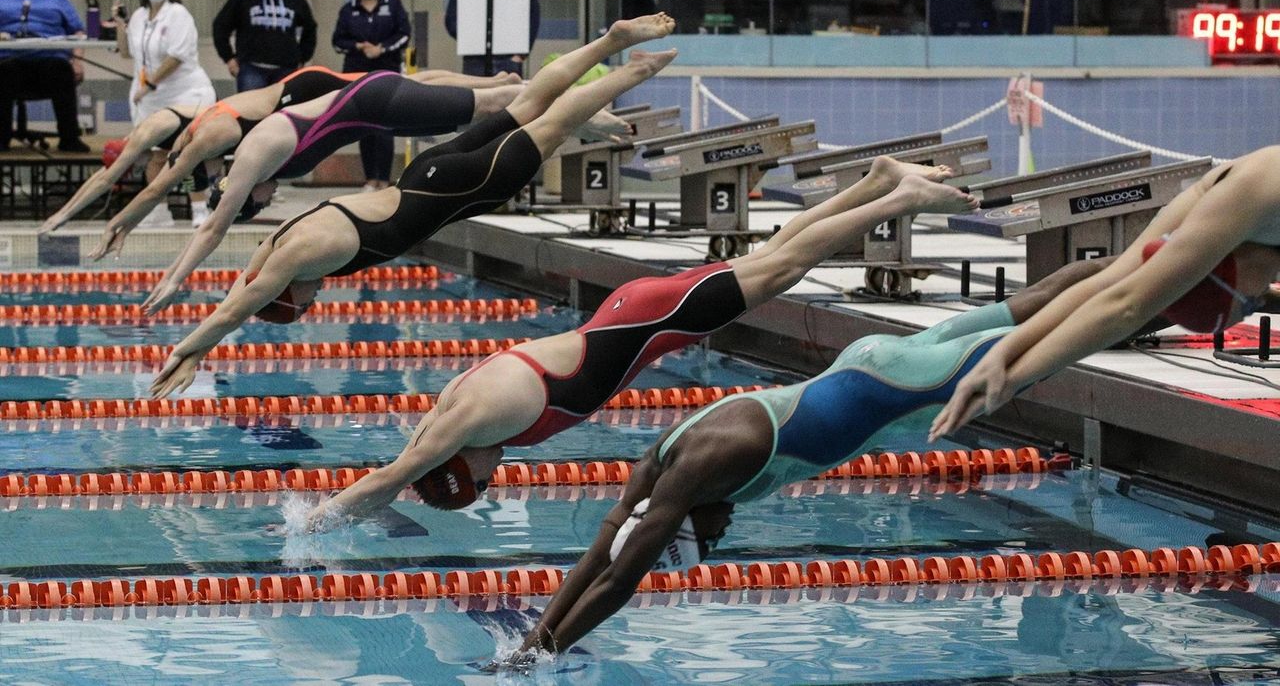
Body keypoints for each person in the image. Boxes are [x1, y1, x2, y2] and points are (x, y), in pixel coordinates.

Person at [283, 152, 977, 531]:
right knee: (772, 259)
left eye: (486, 480)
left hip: (647, 319)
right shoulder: (453, 419)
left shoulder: (467, 422)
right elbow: (400, 467)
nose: (499, 476)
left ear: (463, 468)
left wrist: (312, 526)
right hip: (637, 316)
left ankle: (899, 199)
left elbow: (389, 478)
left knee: (783, 267)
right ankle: (880, 181)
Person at [501, 257, 1109, 664]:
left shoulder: (699, 472)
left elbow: (617, 580)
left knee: (1078, 327)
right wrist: (533, 642)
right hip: (872, 360)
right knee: (1035, 303)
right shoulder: (656, 466)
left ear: (683, 521)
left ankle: (1177, 273)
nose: (723, 537)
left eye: (706, 543)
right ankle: (1151, 253)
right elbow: (604, 551)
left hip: (908, 388)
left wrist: (546, 654)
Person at [147, 15, 686, 403]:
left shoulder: (303, 260)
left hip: (459, 188)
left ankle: (634, 69)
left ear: (292, 290)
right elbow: (246, 285)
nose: (313, 302)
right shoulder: (282, 240)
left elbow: (233, 311)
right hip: (424, 173)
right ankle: (609, 41)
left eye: (302, 305)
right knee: (525, 103)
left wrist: (187, 352)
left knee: (552, 123)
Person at [928, 147, 1280, 443]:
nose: (1261, 298)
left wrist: (1012, 370)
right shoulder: (1245, 196)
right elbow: (1117, 292)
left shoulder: (1248, 194)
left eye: (1251, 303)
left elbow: (1124, 302)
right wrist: (1006, 359)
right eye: (1253, 304)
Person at [136, 69, 525, 313]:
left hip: (374, 102)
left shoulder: (252, 157)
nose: (267, 202)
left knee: (493, 106)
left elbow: (212, 229)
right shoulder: (274, 168)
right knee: (470, 113)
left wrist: (173, 278)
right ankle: (516, 88)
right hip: (375, 112)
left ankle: (556, 91)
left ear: (243, 192)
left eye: (255, 205)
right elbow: (265, 257)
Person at [105, 0, 215, 227]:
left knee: (185, 154)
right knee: (155, 157)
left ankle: (199, 206)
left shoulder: (178, 14)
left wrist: (150, 84)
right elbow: (126, 53)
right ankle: (158, 210)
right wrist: (121, 24)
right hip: (153, 100)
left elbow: (176, 57)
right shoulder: (140, 17)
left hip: (186, 95)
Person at [36, 104, 206, 234]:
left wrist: (65, 215)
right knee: (166, 164)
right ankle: (172, 212)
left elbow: (107, 180)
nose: (136, 171)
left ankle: (201, 210)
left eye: (132, 168)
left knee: (190, 168)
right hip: (189, 125)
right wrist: (63, 213)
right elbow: (103, 175)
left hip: (212, 119)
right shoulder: (133, 142)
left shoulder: (144, 137)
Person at [332, 0, 410, 191]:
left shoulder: (393, 4)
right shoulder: (348, 10)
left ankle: (384, 180)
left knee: (385, 126)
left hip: (386, 71)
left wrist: (381, 49)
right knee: (364, 126)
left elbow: (404, 34)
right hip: (357, 73)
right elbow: (337, 41)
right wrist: (358, 46)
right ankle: (370, 179)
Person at [0, 0, 89, 152]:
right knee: (3, 71)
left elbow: (78, 32)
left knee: (61, 69)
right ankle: (2, 139)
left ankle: (69, 138)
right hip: (10, 61)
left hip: (49, 61)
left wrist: (77, 60)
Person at [212, 0, 317, 93]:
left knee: (284, 110)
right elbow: (220, 26)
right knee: (251, 110)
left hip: (286, 69)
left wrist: (302, 58)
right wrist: (228, 58)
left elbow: (310, 28)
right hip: (251, 69)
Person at [445, 0, 540, 77]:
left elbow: (533, 16)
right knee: (475, 91)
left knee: (509, 91)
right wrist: (469, 38)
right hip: (474, 59)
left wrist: (522, 53)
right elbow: (451, 20)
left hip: (508, 58)